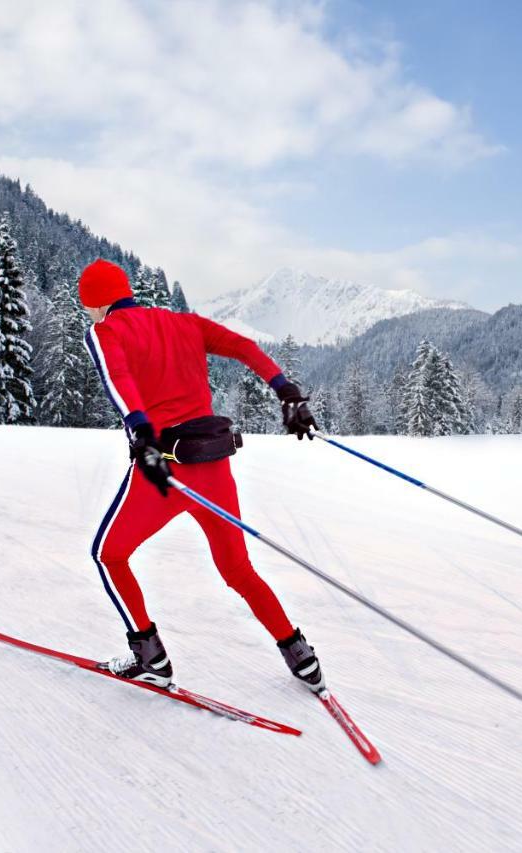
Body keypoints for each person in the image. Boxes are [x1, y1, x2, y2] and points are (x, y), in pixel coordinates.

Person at [76, 259, 324, 693]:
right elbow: (244, 347)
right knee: (238, 569)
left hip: (164, 473)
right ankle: (299, 655)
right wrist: (286, 390)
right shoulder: (183, 323)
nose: (90, 316)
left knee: (109, 554)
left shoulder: (105, 331)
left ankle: (149, 655)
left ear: (96, 304)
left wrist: (141, 431)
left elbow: (117, 379)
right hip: (214, 468)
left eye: (89, 308)